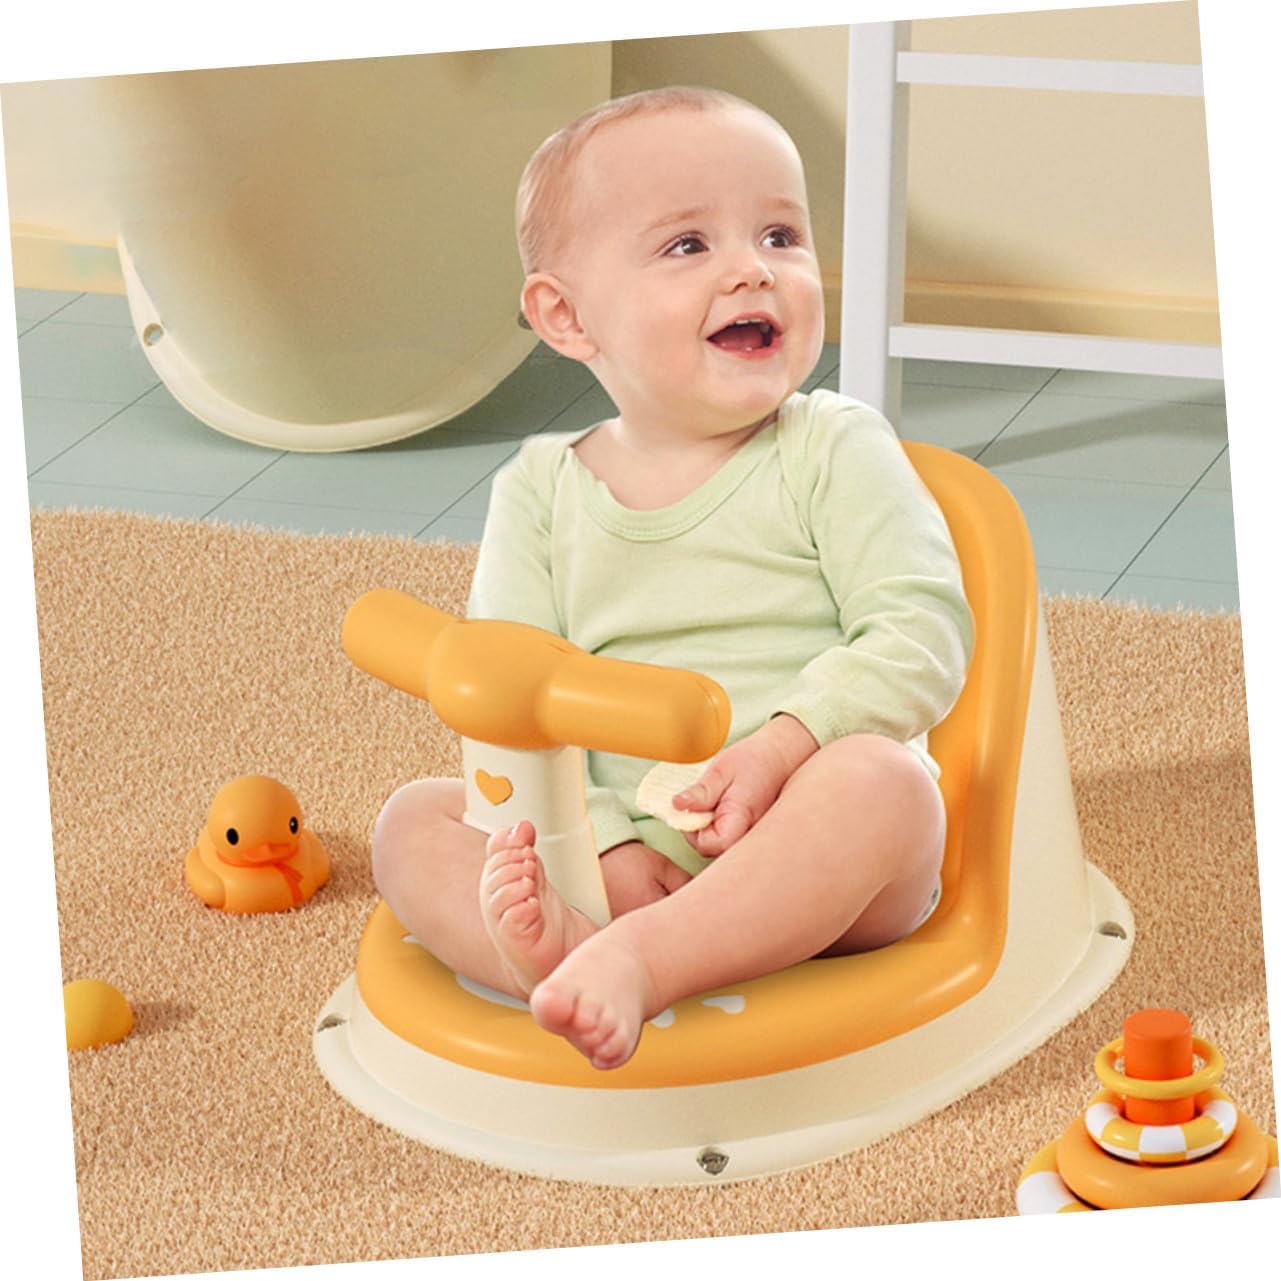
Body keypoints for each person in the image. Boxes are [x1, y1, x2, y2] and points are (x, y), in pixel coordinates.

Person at [371, 86, 973, 1071]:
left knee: (885, 781)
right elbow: (508, 700)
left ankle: (642, 961)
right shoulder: (539, 490)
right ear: (567, 316)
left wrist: (782, 748)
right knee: (411, 824)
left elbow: (921, 634)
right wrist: (602, 843)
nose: (753, 269)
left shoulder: (831, 447)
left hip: (814, 845)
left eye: (780, 235)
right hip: (609, 847)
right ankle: (555, 958)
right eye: (688, 245)